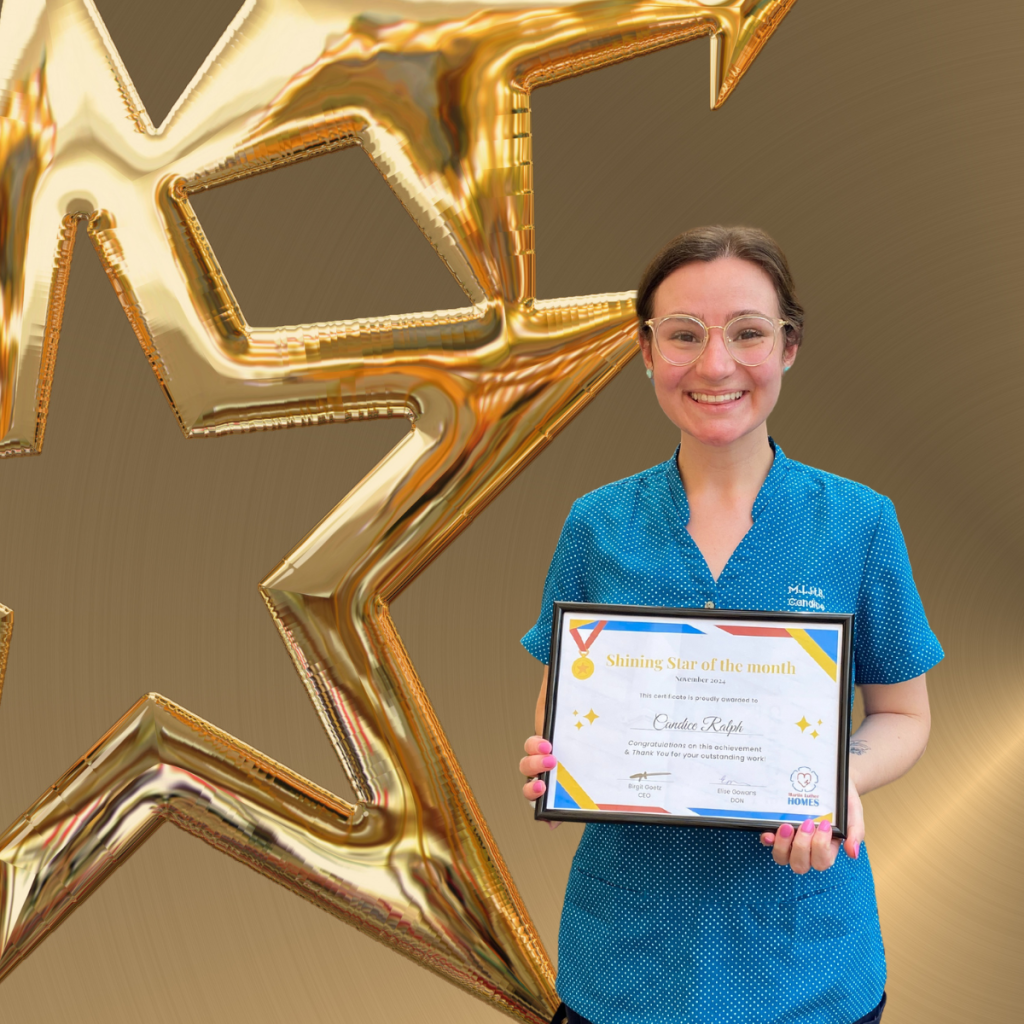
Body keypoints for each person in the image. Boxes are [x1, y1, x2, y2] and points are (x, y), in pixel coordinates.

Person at [517, 226, 941, 1024]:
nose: (715, 366)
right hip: (626, 965)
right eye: (684, 335)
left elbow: (904, 715)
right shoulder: (595, 524)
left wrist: (837, 782)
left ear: (789, 347)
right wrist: (556, 753)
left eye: (748, 332)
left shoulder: (859, 522)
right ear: (646, 351)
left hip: (806, 969)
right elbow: (557, 701)